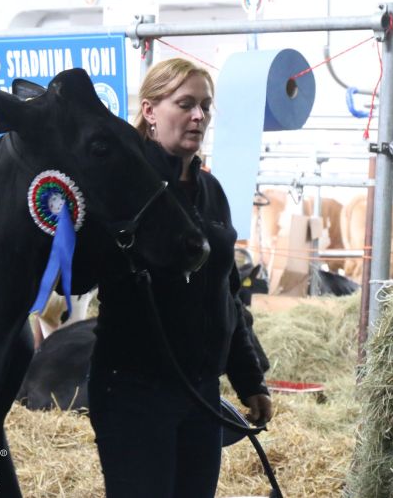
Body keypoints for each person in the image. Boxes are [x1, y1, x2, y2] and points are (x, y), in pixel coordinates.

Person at [87, 58, 273, 498]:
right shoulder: (123, 187)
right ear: (150, 111)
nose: (199, 116)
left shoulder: (212, 192)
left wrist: (249, 381)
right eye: (185, 104)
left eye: (205, 106)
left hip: (201, 392)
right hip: (135, 389)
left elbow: (227, 297)